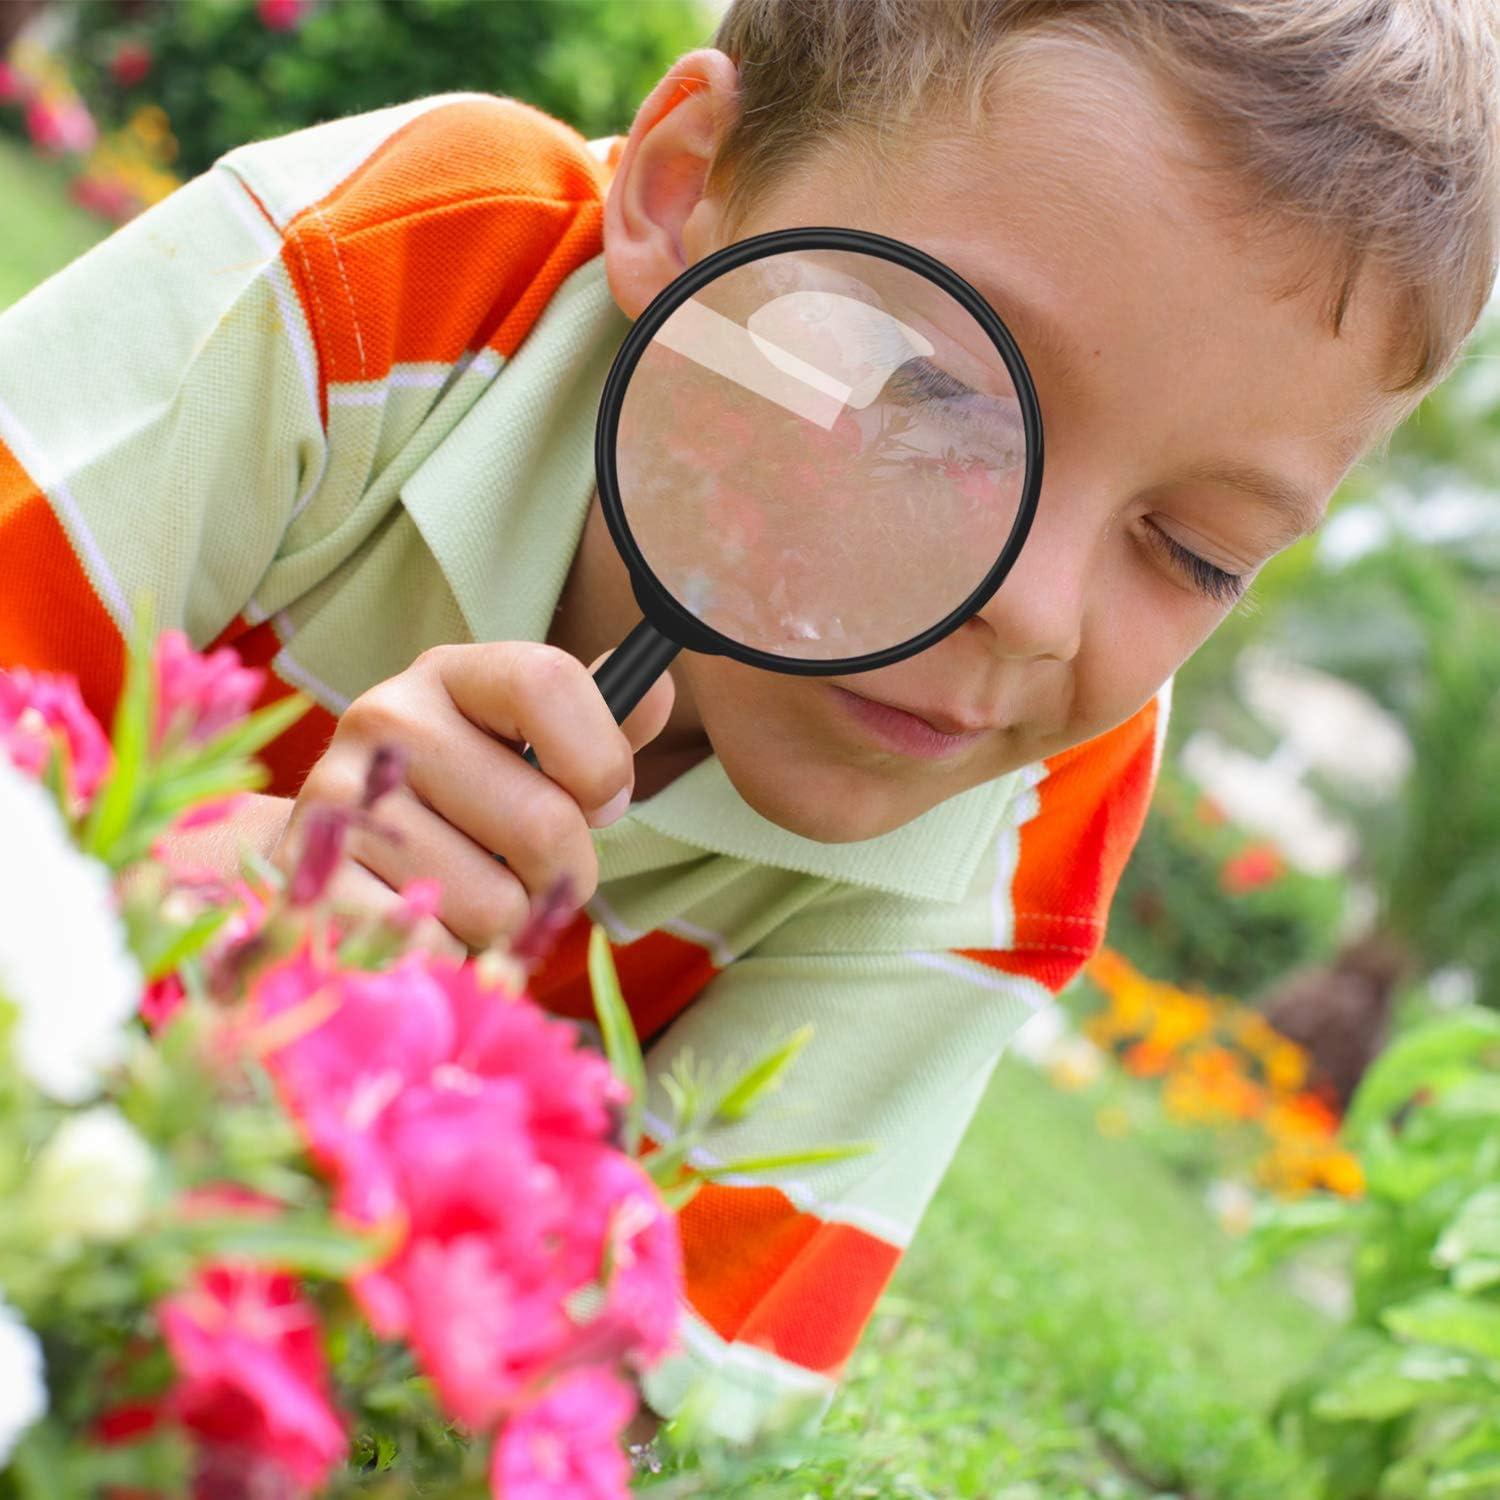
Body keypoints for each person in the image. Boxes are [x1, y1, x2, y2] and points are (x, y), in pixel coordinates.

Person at [1, 0, 1495, 1447]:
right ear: (684, 189)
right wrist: (149, 899)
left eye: (1198, 553)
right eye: (934, 395)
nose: (1037, 612)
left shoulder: (1045, 796)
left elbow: (643, 1395)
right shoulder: (388, 269)